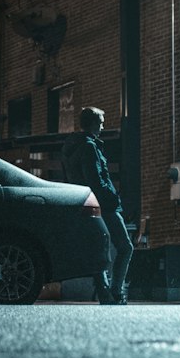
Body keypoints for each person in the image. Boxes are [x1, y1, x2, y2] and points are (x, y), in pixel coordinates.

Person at [61, 106, 133, 304]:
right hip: (103, 204)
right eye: (101, 123)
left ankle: (104, 291)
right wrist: (112, 198)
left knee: (98, 248)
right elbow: (96, 180)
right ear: (93, 124)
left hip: (84, 203)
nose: (102, 127)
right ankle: (116, 290)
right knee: (125, 247)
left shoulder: (71, 147)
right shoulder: (89, 147)